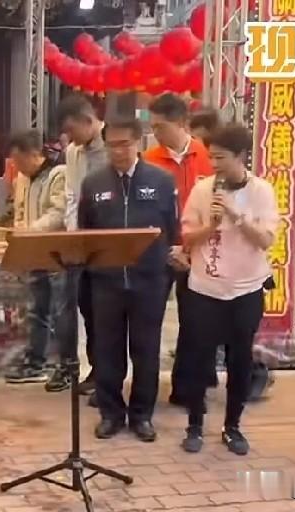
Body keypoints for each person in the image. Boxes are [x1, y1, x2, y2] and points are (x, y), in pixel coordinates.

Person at [178, 124, 277, 455]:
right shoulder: (202, 190)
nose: (214, 164)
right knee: (198, 358)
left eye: (221, 157)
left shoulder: (261, 191)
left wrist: (236, 215)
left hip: (246, 290)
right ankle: (194, 424)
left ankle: (232, 426)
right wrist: (211, 226)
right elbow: (187, 238)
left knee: (240, 359)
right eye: (211, 157)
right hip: (205, 288)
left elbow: (265, 240)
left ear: (241, 156)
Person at [77, 118, 178, 442]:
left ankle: (141, 415)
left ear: (139, 143)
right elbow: (85, 233)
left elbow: (172, 231)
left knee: (145, 352)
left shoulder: (161, 181)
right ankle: (110, 414)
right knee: (108, 352)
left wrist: (164, 273)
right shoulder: (94, 183)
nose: (118, 151)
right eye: (112, 145)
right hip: (106, 283)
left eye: (124, 144)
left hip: (149, 283)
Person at [142, 93, 216, 406]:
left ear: (181, 123)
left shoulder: (206, 156)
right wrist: (168, 248)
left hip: (197, 252)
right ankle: (144, 391)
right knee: (149, 322)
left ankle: (187, 388)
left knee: (195, 323)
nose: (156, 132)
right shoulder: (148, 160)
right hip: (159, 253)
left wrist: (190, 247)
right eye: (153, 126)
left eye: (161, 126)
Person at [3, 129, 67, 385]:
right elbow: (19, 210)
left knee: (60, 312)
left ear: (33, 154)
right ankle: (36, 362)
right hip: (34, 253)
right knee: (37, 311)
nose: (17, 167)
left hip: (56, 255)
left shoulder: (58, 174)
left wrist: (30, 232)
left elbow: (58, 213)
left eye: (19, 160)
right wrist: (20, 235)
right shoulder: (23, 178)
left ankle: (64, 364)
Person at [55, 94, 107, 397]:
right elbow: (72, 196)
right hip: (81, 245)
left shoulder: (114, 147)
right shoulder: (74, 152)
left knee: (107, 313)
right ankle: (96, 368)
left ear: (88, 121)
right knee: (87, 309)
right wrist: (72, 236)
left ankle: (109, 374)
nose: (69, 137)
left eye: (72, 130)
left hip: (108, 244)